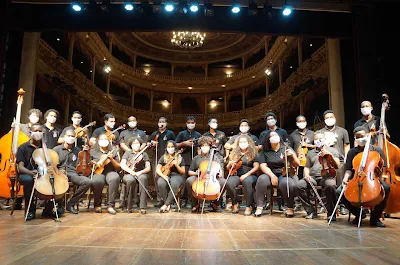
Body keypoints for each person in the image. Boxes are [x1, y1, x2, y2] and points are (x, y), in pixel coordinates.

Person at [341, 126, 390, 227]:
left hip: (372, 178)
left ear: (368, 136)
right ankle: (359, 214)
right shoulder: (352, 152)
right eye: (357, 137)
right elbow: (349, 170)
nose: (360, 139)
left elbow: (383, 169)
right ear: (354, 138)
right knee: (340, 192)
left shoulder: (377, 151)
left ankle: (375, 218)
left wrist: (378, 172)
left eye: (362, 136)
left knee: (386, 188)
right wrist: (345, 179)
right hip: (356, 178)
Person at [16, 124, 63, 220]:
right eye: (35, 131)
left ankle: (48, 209)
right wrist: (31, 173)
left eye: (40, 131)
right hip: (26, 173)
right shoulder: (23, 148)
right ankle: (30, 209)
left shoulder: (45, 148)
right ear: (30, 132)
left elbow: (51, 163)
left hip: (43, 173)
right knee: (29, 181)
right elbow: (20, 167)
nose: (38, 133)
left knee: (56, 182)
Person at [295, 132, 340, 220]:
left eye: (319, 139)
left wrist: (329, 155)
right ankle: (310, 210)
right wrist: (306, 174)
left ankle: (331, 213)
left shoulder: (332, 150)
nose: (317, 141)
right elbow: (307, 167)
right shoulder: (311, 153)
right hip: (313, 177)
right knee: (299, 185)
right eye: (315, 139)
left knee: (330, 185)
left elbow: (337, 165)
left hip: (327, 176)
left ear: (324, 139)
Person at [255, 131, 300, 217]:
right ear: (268, 139)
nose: (274, 136)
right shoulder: (265, 151)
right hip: (269, 173)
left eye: (275, 135)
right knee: (261, 179)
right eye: (271, 136)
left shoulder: (287, 148)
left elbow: (297, 164)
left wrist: (293, 156)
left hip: (284, 173)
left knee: (287, 183)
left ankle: (289, 207)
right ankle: (259, 206)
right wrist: (272, 176)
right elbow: (263, 166)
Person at [53, 128, 92, 214]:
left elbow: (83, 164)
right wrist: (58, 171)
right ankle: (59, 205)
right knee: (59, 181)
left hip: (73, 173)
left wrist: (86, 153)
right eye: (68, 136)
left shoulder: (77, 151)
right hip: (59, 172)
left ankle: (71, 203)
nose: (70, 138)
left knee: (87, 182)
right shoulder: (56, 149)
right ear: (64, 137)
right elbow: (52, 164)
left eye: (72, 136)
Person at [319, 110, 350, 215]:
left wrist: (346, 157)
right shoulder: (320, 132)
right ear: (324, 120)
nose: (329, 119)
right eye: (327, 118)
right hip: (326, 161)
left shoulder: (342, 131)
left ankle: (342, 205)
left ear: (335, 118)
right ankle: (327, 204)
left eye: (331, 117)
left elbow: (346, 144)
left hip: (340, 161)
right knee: (328, 183)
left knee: (341, 182)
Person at [186, 136, 225, 212]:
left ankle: (215, 203)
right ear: (200, 147)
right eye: (203, 146)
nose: (204, 148)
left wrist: (220, 173)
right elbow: (189, 172)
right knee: (189, 181)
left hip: (213, 178)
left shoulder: (215, 157)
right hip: (200, 177)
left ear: (210, 147)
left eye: (206, 146)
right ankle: (195, 204)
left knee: (223, 182)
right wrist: (195, 173)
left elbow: (220, 171)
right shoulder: (196, 158)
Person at [225, 135, 259, 216]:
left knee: (247, 181)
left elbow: (257, 167)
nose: (242, 143)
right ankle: (234, 203)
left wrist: (246, 175)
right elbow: (229, 168)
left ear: (248, 143)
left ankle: (248, 206)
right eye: (241, 142)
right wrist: (229, 164)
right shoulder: (234, 153)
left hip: (250, 174)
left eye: (244, 142)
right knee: (229, 183)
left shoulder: (253, 152)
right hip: (237, 174)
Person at [90, 133, 121, 214]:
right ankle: (97, 205)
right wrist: (93, 163)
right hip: (98, 172)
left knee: (115, 178)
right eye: (101, 139)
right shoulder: (92, 151)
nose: (104, 141)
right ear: (98, 141)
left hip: (110, 171)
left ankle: (110, 205)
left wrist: (112, 159)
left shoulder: (113, 151)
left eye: (105, 139)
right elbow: (88, 164)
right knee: (97, 181)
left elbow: (118, 167)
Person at [148, 117, 176, 207]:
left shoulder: (170, 133)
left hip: (167, 158)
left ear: (166, 124)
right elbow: (149, 147)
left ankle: (169, 199)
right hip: (156, 158)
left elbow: (174, 145)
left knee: (167, 177)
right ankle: (160, 199)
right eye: (159, 122)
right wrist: (151, 144)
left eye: (163, 122)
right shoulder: (154, 134)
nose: (161, 124)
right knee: (157, 178)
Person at [175, 116, 201, 208]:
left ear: (195, 123)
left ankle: (193, 200)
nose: (191, 124)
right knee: (183, 181)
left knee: (193, 182)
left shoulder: (198, 135)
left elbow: (201, 147)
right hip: (184, 161)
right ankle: (183, 199)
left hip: (194, 162)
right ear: (186, 124)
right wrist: (184, 143)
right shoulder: (182, 134)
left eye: (192, 122)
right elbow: (175, 145)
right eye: (189, 122)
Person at [120, 136, 151, 214]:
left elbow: (148, 168)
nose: (136, 145)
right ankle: (129, 206)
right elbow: (123, 165)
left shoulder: (144, 154)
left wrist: (139, 172)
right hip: (129, 173)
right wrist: (131, 172)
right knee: (130, 180)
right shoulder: (127, 153)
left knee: (143, 179)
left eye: (137, 143)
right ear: (131, 145)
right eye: (134, 143)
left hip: (141, 173)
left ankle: (143, 206)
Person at [155, 140, 185, 213]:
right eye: (169, 147)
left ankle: (165, 205)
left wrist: (176, 165)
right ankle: (167, 204)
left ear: (175, 148)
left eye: (172, 147)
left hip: (177, 175)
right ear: (166, 148)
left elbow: (183, 171)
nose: (170, 148)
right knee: (160, 183)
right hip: (165, 175)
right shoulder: (163, 157)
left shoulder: (180, 157)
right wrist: (163, 176)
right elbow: (157, 169)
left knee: (174, 184)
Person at [289, 115, 315, 180]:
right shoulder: (292, 135)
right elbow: (290, 148)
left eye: (303, 121)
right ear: (296, 123)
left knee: (309, 179)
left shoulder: (312, 134)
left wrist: (308, 145)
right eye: (299, 121)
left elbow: (317, 146)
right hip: (298, 162)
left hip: (310, 161)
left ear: (306, 122)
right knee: (299, 179)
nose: (301, 123)